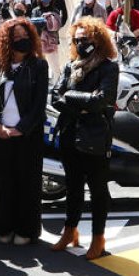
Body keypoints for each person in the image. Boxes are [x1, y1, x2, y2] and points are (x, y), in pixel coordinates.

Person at [51, 16, 119, 260]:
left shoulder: (108, 67)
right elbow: (55, 97)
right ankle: (70, 232)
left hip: (95, 136)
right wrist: (81, 104)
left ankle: (99, 239)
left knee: (98, 190)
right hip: (70, 133)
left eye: (86, 39)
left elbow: (103, 99)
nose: (81, 44)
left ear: (98, 40)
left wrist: (73, 99)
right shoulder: (71, 65)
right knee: (73, 187)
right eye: (77, 40)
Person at [0, 18, 49, 245]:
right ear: (6, 41)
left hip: (28, 135)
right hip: (1, 135)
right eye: (16, 38)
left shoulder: (39, 65)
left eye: (25, 36)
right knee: (4, 183)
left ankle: (26, 230)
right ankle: (4, 227)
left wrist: (21, 128)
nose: (22, 41)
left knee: (28, 183)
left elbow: (39, 104)